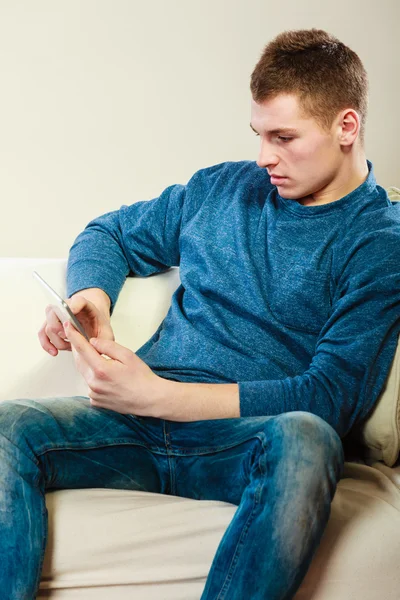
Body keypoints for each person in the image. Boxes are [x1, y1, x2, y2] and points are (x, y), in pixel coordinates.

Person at [1, 27, 400, 600]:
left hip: (242, 442)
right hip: (137, 426)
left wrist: (158, 396)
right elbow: (109, 232)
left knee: (309, 440)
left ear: (346, 126)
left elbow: (330, 396)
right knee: (6, 424)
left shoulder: (379, 241)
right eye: (260, 135)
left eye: (285, 137)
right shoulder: (221, 190)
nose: (265, 158)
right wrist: (91, 296)